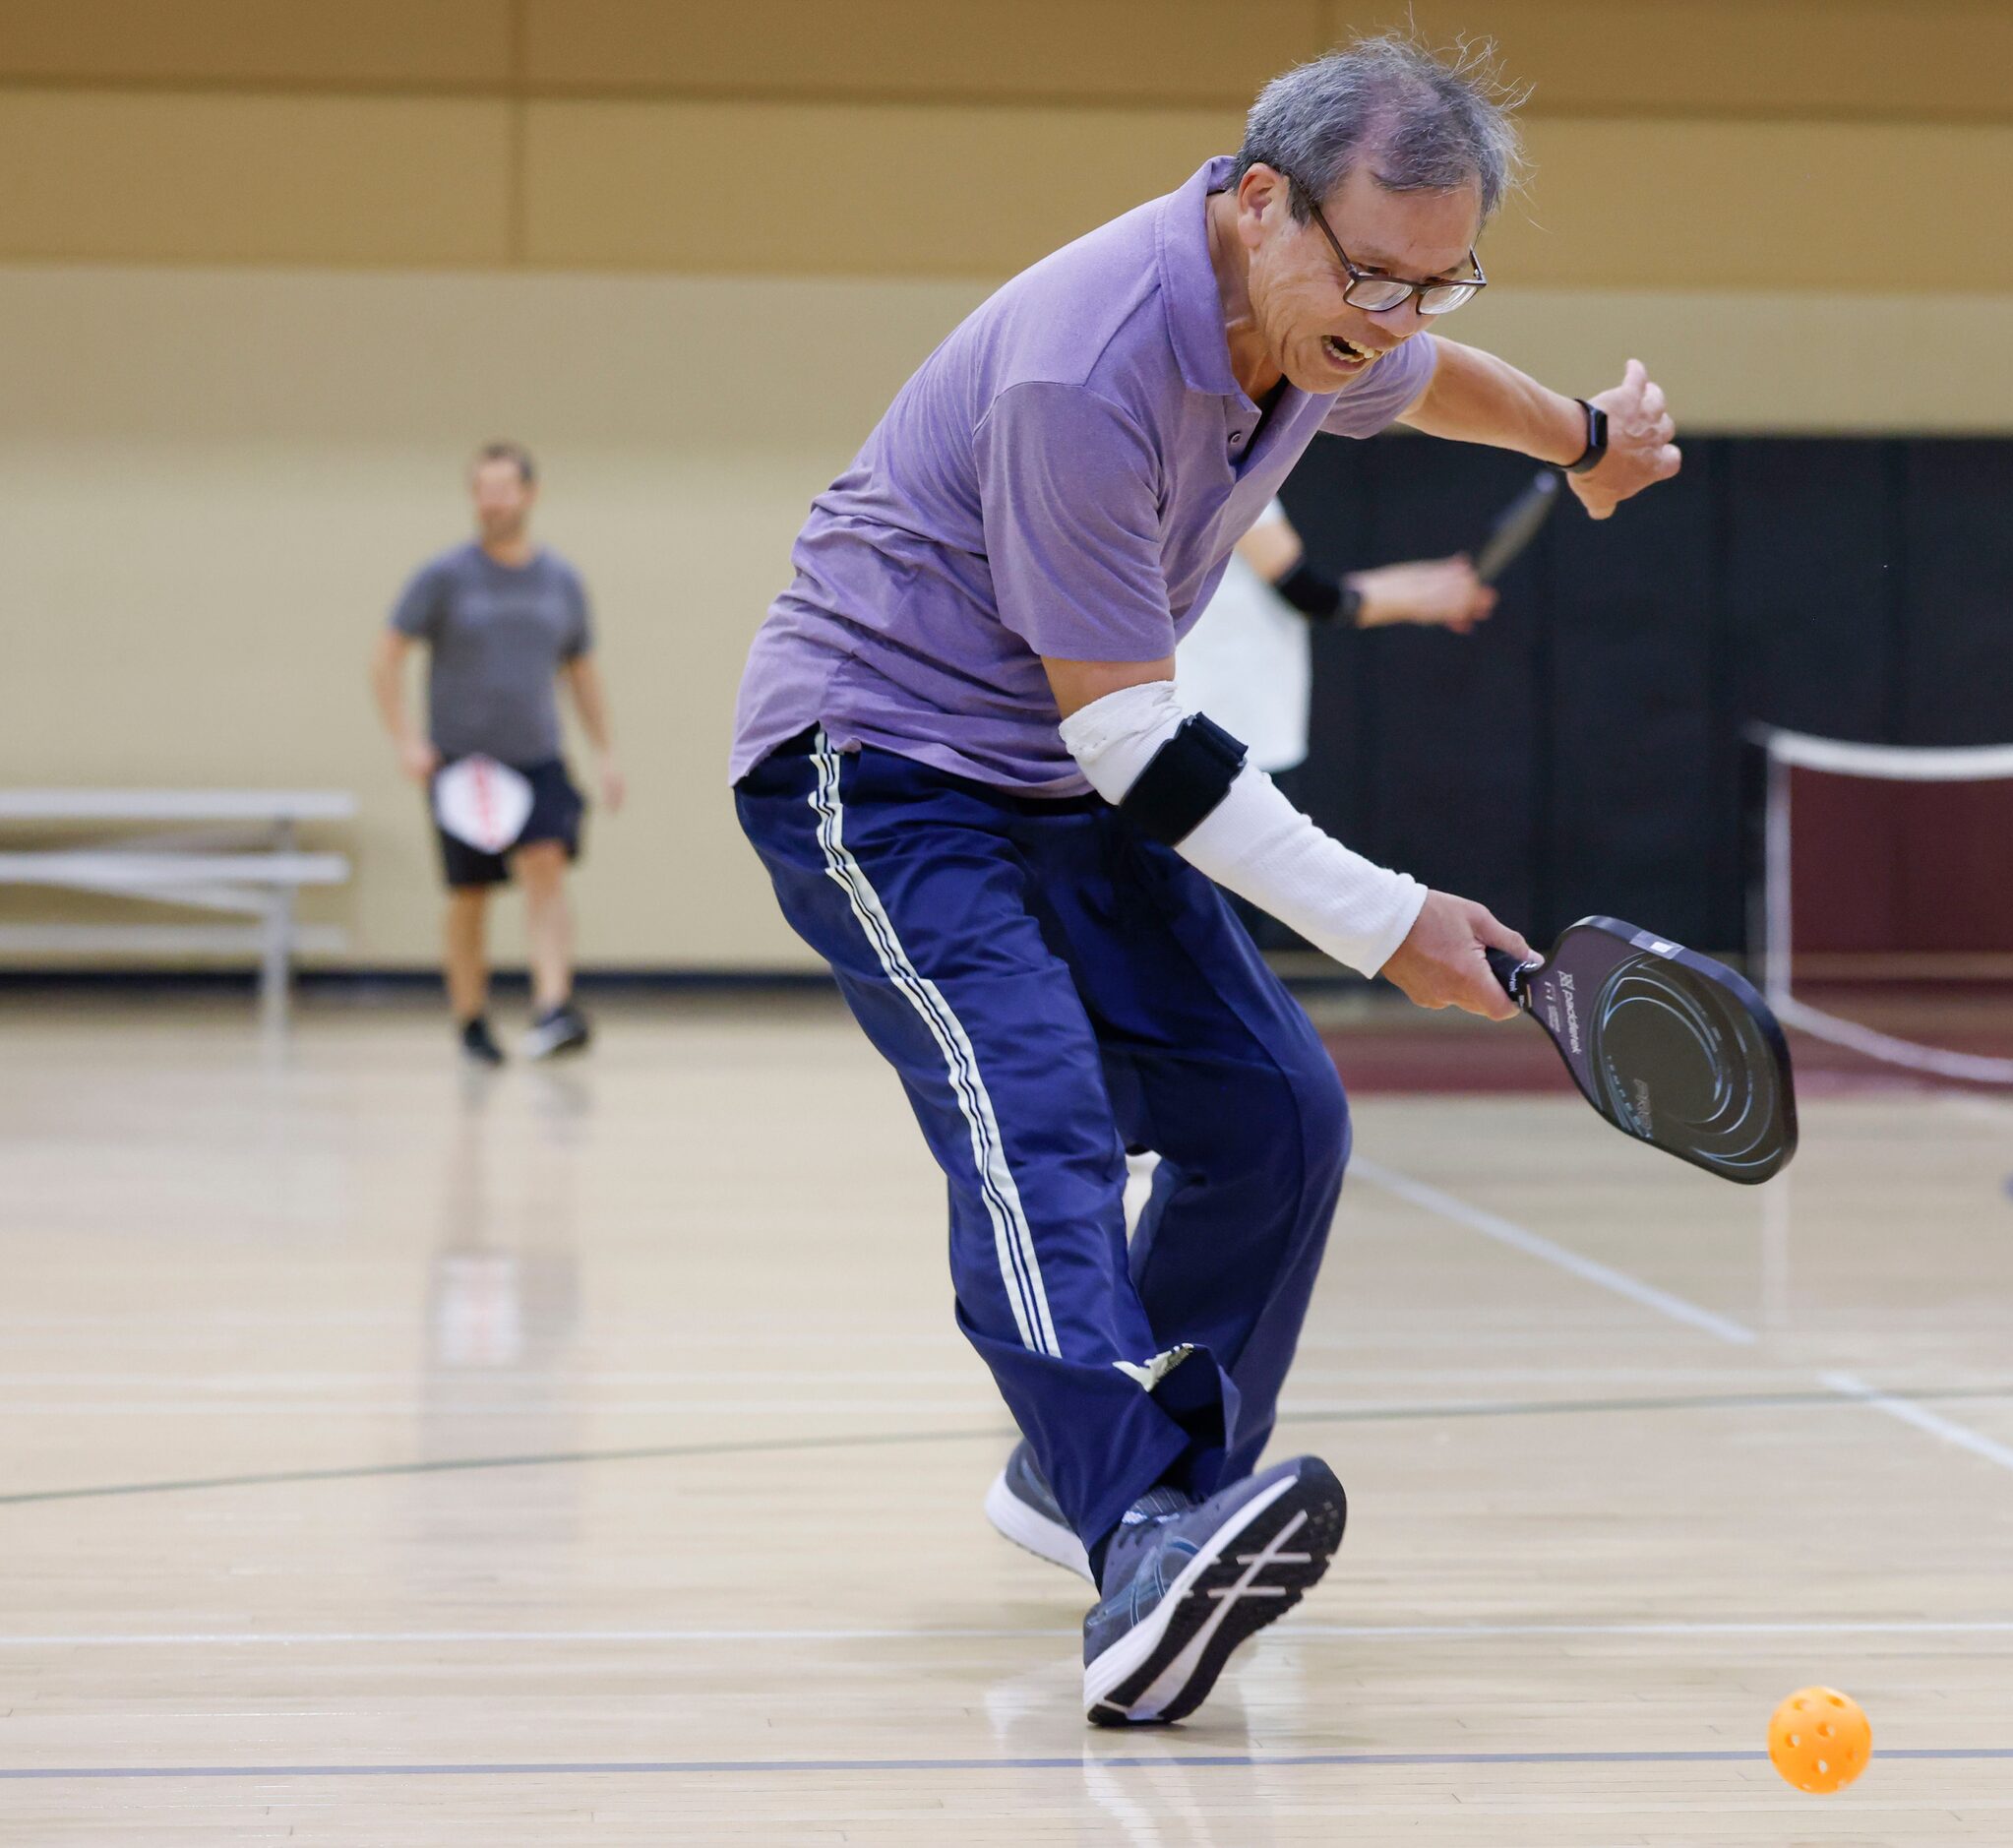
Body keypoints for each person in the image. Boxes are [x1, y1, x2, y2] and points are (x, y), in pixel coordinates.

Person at [726, 34, 1677, 1728]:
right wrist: (1390, 922)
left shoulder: (1327, 328)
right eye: (1370, 272)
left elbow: (1421, 386)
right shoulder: (1086, 365)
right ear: (1257, 202)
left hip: (1051, 768)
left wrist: (1581, 434)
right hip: (879, 765)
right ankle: (1140, 1533)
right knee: (1035, 1115)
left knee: (1275, 1117)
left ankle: (1104, 1478)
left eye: (1434, 281)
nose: (1390, 317)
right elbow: (1131, 740)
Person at [371, 442, 624, 1065]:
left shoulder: (559, 582)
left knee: (546, 870)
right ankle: (471, 1016)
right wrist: (407, 740)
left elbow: (581, 670)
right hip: (466, 765)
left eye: (503, 488)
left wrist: (605, 750)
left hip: (537, 755)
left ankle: (552, 1006)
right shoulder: (444, 578)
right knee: (472, 893)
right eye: (481, 489)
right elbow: (386, 659)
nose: (492, 501)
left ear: (528, 494)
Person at [1172, 497, 1494, 777]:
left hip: (1223, 738)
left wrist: (1426, 586)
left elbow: (1304, 594)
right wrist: (1425, 597)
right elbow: (1308, 594)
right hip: (1228, 738)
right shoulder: (1226, 466)